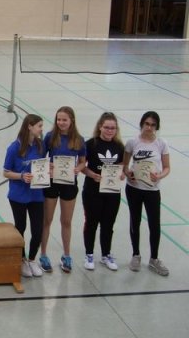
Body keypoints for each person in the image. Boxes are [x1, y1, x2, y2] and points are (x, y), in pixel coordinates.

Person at [123, 111, 171, 276]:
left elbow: (167, 167)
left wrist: (159, 176)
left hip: (152, 190)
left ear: (157, 127)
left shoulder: (161, 144)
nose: (149, 127)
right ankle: (136, 255)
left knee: (154, 224)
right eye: (147, 124)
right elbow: (125, 165)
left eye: (153, 125)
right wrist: (128, 173)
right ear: (142, 124)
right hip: (134, 189)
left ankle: (154, 259)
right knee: (135, 221)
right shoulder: (132, 142)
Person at [39, 106, 86, 273]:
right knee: (47, 220)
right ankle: (43, 254)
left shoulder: (79, 139)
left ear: (71, 120)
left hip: (69, 184)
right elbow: (41, 158)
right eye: (58, 119)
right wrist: (48, 166)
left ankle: (66, 255)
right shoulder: (50, 137)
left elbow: (82, 161)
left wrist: (78, 168)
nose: (61, 122)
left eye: (64, 120)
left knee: (66, 221)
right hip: (52, 183)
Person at [3, 114, 47, 278]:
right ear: (29, 126)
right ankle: (21, 260)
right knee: (20, 228)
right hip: (18, 196)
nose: (41, 129)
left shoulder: (40, 145)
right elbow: (6, 172)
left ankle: (32, 259)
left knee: (37, 230)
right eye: (39, 126)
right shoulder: (14, 148)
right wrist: (21, 176)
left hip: (36, 195)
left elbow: (41, 166)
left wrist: (47, 170)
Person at [81, 112, 125, 271]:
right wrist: (92, 175)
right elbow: (82, 166)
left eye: (113, 128)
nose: (109, 131)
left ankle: (106, 255)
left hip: (112, 192)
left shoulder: (119, 146)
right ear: (100, 127)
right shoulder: (90, 144)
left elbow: (122, 165)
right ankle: (89, 254)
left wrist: (122, 173)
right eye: (107, 127)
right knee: (91, 223)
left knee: (108, 224)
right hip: (92, 192)